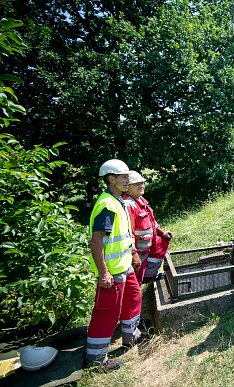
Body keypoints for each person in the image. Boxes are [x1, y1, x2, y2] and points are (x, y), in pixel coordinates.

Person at [84, 159, 142, 372]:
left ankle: (131, 337)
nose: (128, 180)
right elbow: (96, 240)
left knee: (133, 298)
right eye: (123, 176)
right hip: (112, 271)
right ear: (111, 179)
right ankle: (97, 361)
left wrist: (134, 254)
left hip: (124, 266)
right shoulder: (107, 205)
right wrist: (104, 273)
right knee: (107, 313)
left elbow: (124, 235)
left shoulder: (119, 201)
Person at [122, 171, 173, 284]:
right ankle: (143, 279)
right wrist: (133, 252)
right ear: (127, 187)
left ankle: (149, 275)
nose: (141, 186)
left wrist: (161, 232)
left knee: (163, 241)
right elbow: (128, 232)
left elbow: (151, 222)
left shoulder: (141, 201)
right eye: (137, 184)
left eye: (142, 183)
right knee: (135, 282)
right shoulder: (128, 204)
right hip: (138, 250)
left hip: (147, 246)